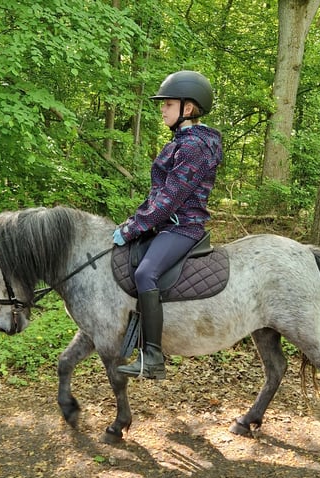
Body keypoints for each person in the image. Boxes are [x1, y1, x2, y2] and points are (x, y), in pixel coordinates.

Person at [112, 70, 223, 379]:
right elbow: (157, 195)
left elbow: (170, 198)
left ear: (188, 108)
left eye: (168, 104)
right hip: (165, 224)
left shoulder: (194, 147)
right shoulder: (181, 141)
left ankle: (153, 358)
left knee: (146, 272)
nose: (162, 109)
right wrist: (135, 221)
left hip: (183, 227)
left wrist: (132, 229)